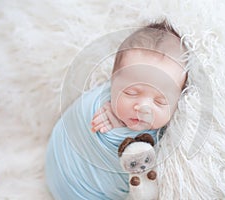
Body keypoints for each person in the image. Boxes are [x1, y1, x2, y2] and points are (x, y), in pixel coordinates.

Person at [45, 20, 188, 200]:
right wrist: (115, 130)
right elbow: (79, 125)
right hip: (69, 180)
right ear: (113, 82)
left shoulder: (174, 134)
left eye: (160, 101)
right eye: (131, 92)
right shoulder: (97, 107)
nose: (143, 108)